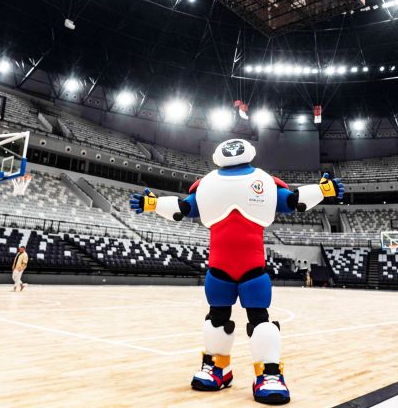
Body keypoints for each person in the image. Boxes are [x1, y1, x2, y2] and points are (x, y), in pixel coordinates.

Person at [130, 139, 344, 405]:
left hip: (249, 267)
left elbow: (292, 201)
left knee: (259, 319)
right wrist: (322, 191)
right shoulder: (219, 184)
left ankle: (268, 373)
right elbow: (185, 208)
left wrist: (322, 191)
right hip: (221, 267)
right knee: (217, 317)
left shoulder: (253, 182)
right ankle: (217, 367)